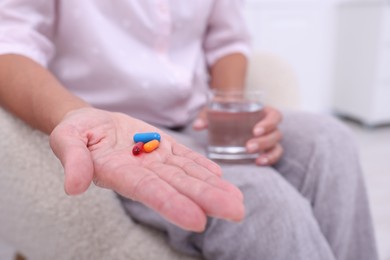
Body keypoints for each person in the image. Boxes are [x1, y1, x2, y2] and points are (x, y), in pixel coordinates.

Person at [0, 1, 378, 259]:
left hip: (197, 114)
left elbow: (226, 37)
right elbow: (10, 44)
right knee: (260, 200)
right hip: (116, 131)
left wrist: (228, 111)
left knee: (332, 140)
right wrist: (75, 116)